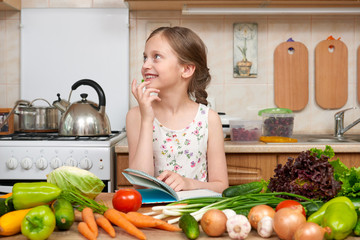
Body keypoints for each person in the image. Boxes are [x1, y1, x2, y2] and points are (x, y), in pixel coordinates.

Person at [126, 26, 228, 193]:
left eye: (156, 57)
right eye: (145, 57)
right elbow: (141, 184)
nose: (145, 65)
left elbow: (221, 186)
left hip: (197, 214)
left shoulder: (209, 119)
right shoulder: (136, 116)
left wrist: (189, 184)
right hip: (154, 213)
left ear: (186, 69)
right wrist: (147, 119)